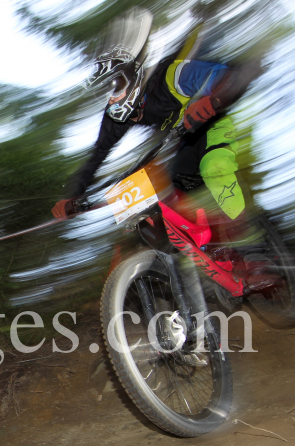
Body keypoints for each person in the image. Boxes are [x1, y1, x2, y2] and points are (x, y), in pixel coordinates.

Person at [52, 10, 262, 272]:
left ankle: (255, 252)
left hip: (211, 126)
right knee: (167, 206)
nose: (112, 94)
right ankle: (209, 260)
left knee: (214, 167)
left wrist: (212, 99)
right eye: (107, 88)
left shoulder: (171, 77)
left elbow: (232, 76)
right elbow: (97, 156)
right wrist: (72, 197)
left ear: (132, 74)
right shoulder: (116, 119)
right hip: (182, 144)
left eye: (115, 82)